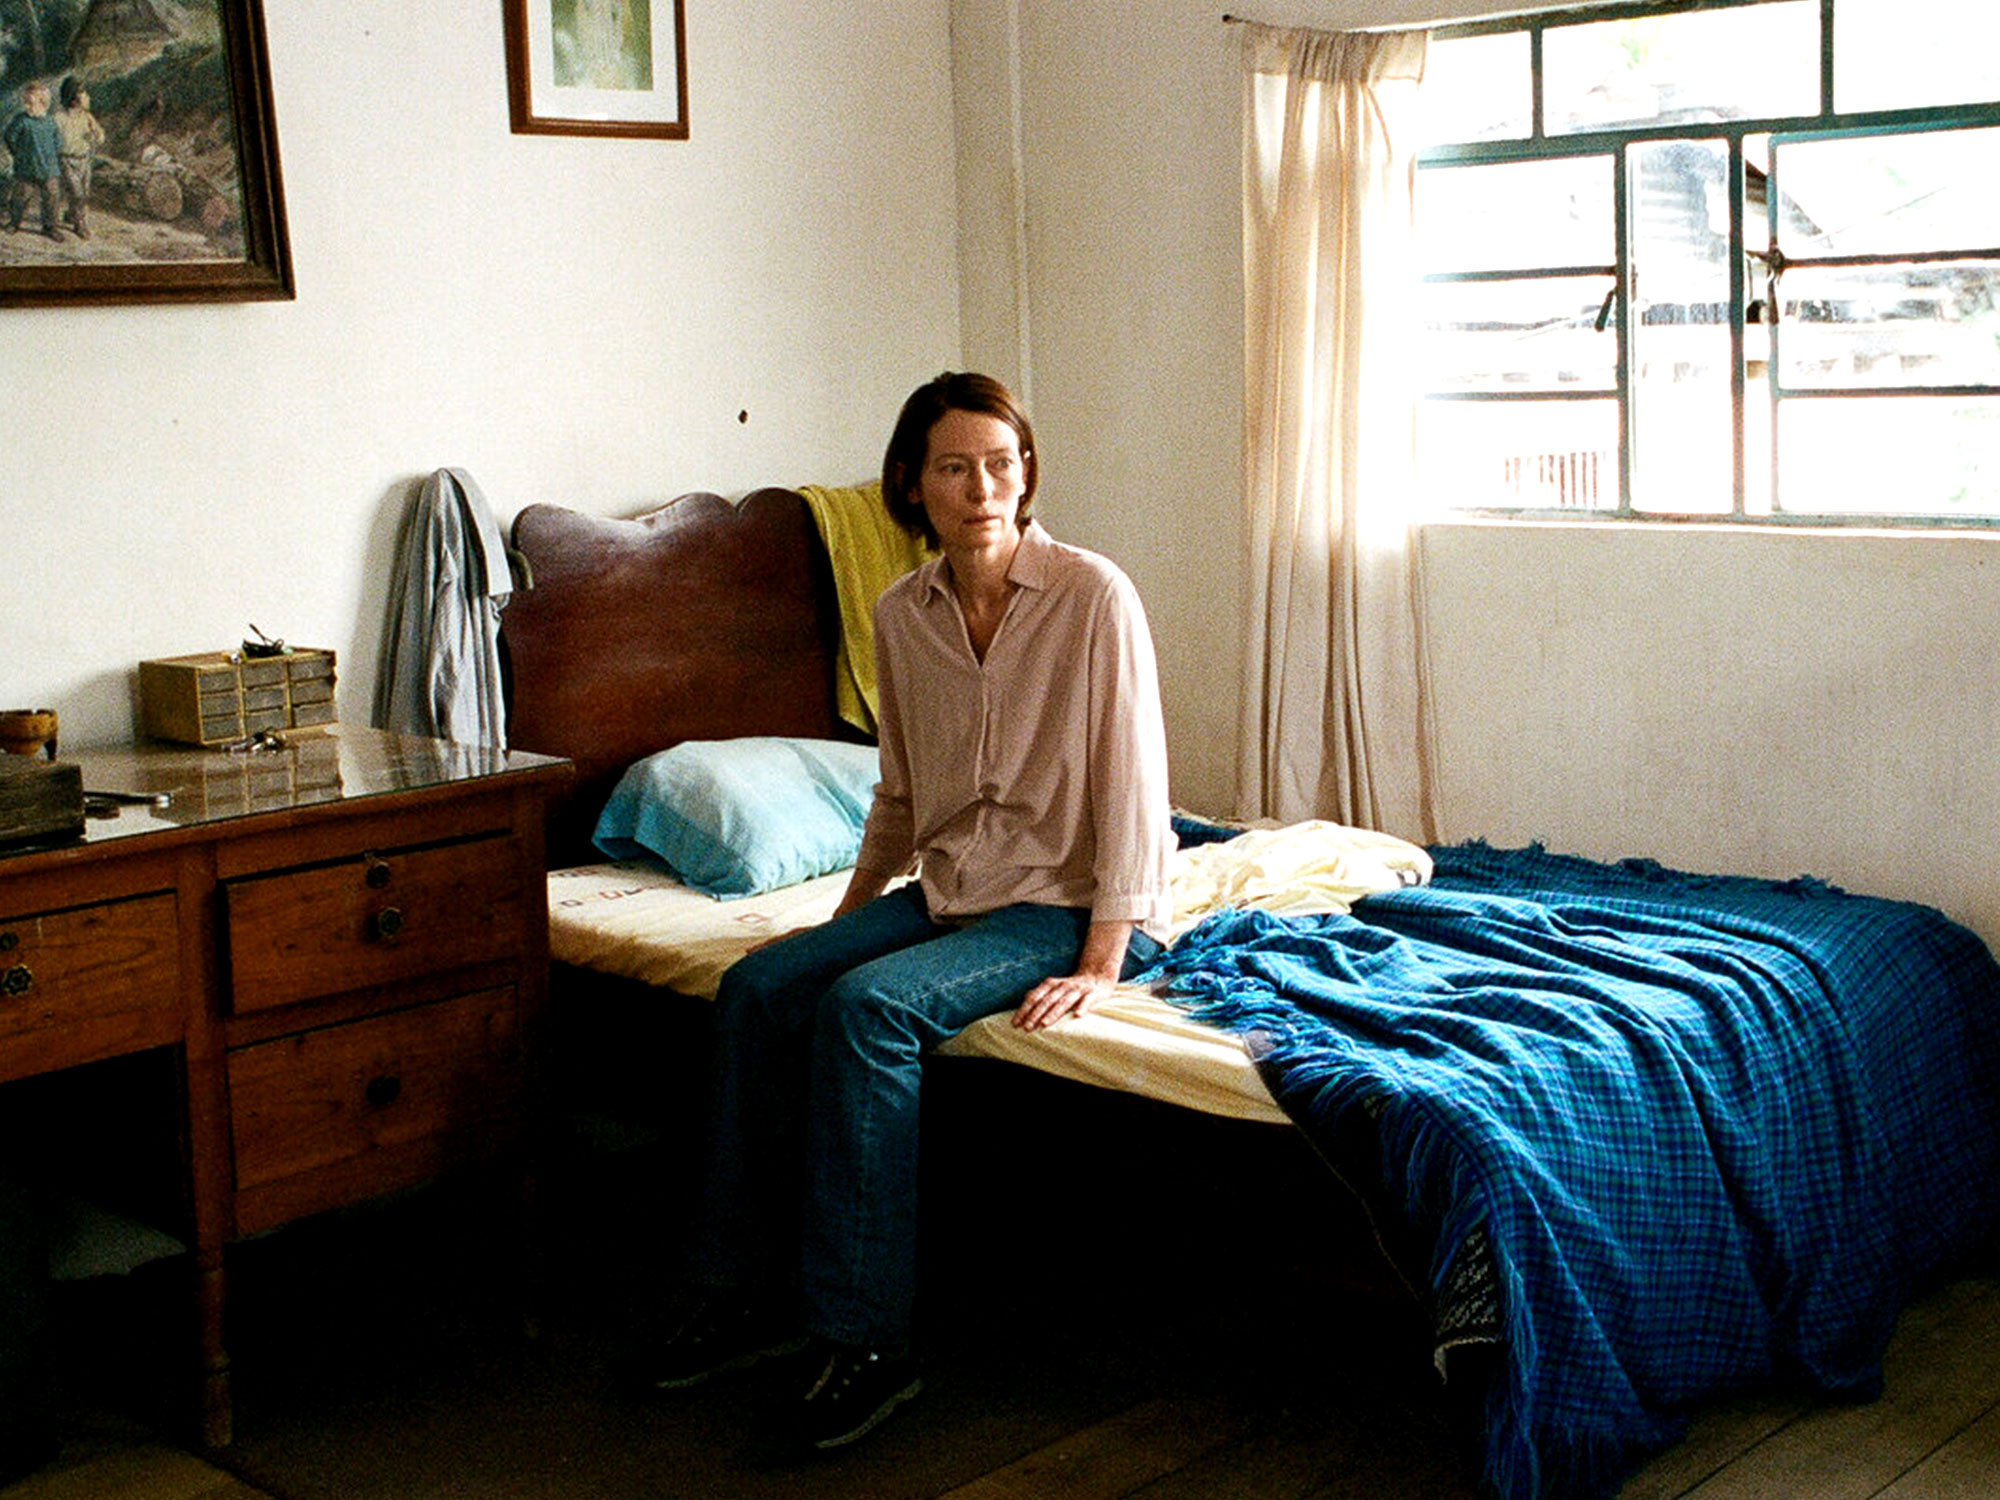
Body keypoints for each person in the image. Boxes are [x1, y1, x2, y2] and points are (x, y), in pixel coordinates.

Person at [645, 372, 1176, 1450]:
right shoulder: (901, 614)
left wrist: (1103, 959)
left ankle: (867, 1342)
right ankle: (740, 1294)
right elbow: (898, 792)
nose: (982, 489)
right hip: (948, 889)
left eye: (1001, 464)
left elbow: (1133, 783)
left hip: (1062, 899)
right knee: (758, 987)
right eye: (954, 468)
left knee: (868, 1009)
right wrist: (843, 920)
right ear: (912, 485)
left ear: (1025, 474)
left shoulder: (1091, 596)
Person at [4, 81, 62, 241]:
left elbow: (58, 142)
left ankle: (50, 227)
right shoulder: (21, 120)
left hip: (49, 169)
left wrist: (51, 156)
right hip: (26, 168)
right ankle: (14, 223)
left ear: (43, 103)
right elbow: (10, 138)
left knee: (52, 197)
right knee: (20, 197)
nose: (27, 106)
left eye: (31, 103)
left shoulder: (50, 122)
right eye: (26, 103)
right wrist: (19, 155)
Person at [53, 76, 104, 240]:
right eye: (83, 93)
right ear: (73, 97)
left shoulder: (87, 117)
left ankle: (71, 214)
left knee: (84, 192)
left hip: (84, 160)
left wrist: (95, 135)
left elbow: (101, 136)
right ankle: (80, 225)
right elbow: (51, 139)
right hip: (66, 160)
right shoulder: (59, 117)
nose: (87, 96)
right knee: (77, 193)